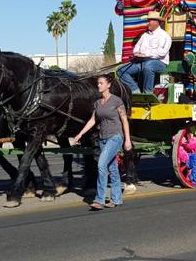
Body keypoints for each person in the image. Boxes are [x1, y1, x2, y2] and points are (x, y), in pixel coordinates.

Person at [71, 75, 132, 210]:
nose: (98, 85)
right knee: (112, 169)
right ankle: (117, 199)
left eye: (101, 83)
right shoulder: (98, 103)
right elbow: (93, 121)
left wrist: (127, 139)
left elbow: (124, 120)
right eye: (98, 83)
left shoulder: (117, 101)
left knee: (101, 165)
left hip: (115, 137)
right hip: (103, 138)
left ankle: (99, 199)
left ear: (108, 85)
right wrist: (80, 134)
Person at [118, 11, 171, 94]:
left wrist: (145, 54)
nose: (148, 23)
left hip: (159, 63)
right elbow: (136, 49)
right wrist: (137, 54)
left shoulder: (165, 36)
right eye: (148, 20)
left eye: (150, 21)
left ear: (157, 22)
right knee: (121, 70)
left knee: (148, 66)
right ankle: (135, 90)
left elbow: (162, 53)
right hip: (142, 62)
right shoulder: (144, 36)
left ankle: (148, 92)